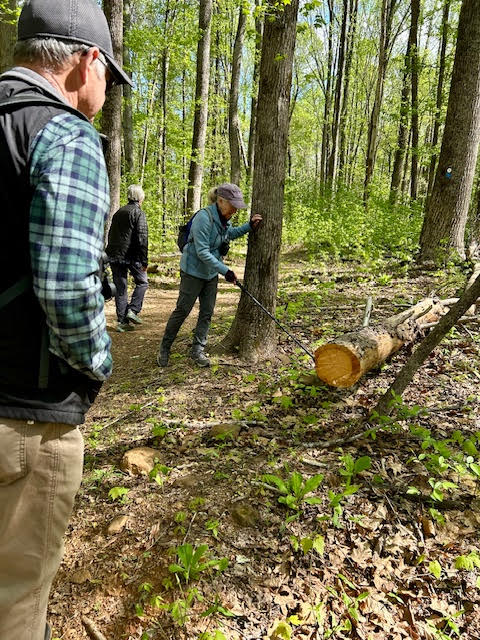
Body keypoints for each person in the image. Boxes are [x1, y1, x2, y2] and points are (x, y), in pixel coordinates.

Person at [0, 1, 131, 639]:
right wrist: (97, 363)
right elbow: (66, 286)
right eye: (109, 76)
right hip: (26, 415)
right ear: (87, 62)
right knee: (16, 599)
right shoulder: (65, 135)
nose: (106, 93)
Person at [157, 183, 262, 368]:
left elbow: (229, 233)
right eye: (233, 205)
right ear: (221, 201)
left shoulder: (224, 219)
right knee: (182, 310)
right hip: (192, 272)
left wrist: (249, 226)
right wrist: (225, 271)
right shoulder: (203, 218)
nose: (235, 210)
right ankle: (164, 348)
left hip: (210, 274)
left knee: (207, 312)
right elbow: (202, 252)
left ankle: (198, 350)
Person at [106, 184, 149, 332]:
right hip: (132, 256)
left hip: (115, 255)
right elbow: (142, 238)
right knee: (142, 282)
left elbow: (111, 234)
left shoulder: (118, 212)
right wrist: (144, 260)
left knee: (121, 288)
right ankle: (133, 310)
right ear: (140, 197)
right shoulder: (138, 213)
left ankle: (122, 321)